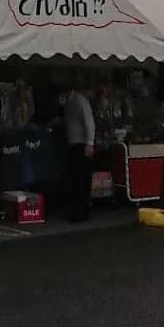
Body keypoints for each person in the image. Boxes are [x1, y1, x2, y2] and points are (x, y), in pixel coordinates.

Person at [64, 78, 96, 222]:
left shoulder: (79, 101)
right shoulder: (73, 101)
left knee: (80, 179)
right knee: (78, 179)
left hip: (80, 144)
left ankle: (81, 211)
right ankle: (80, 210)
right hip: (76, 143)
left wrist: (89, 143)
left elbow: (89, 123)